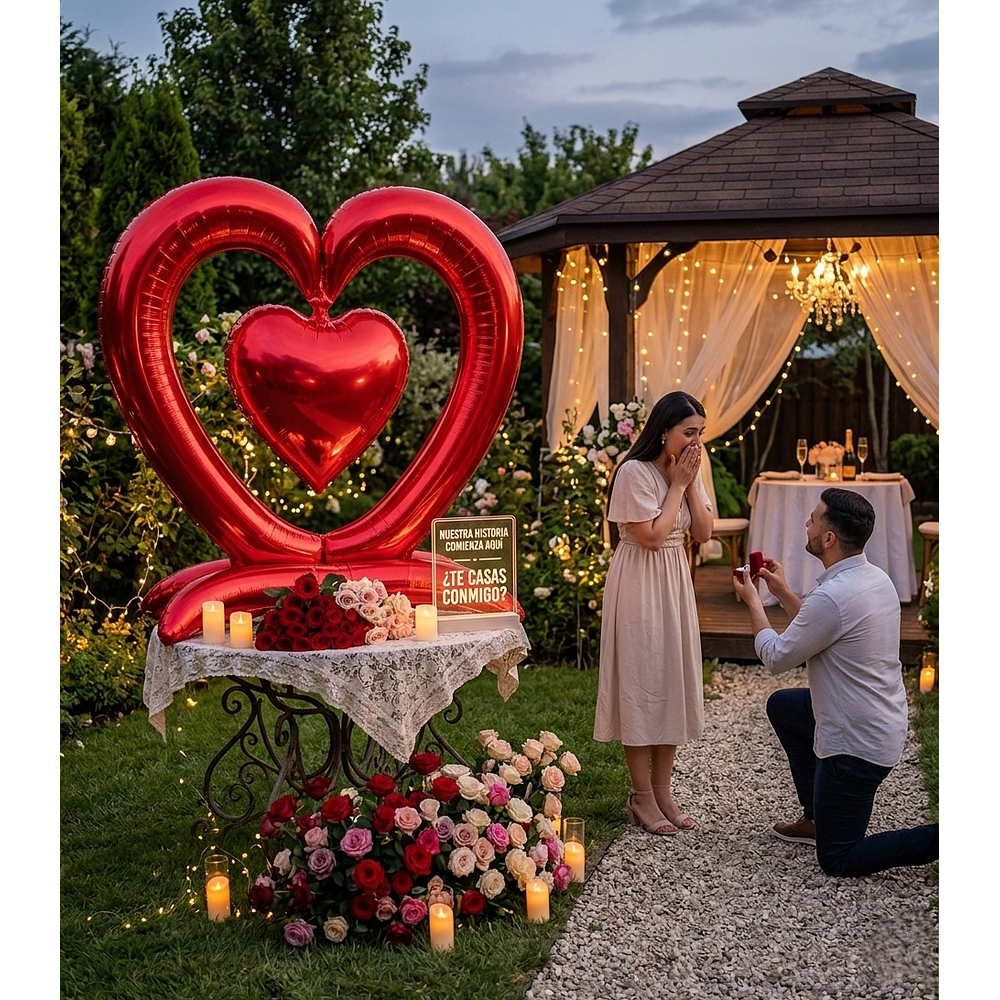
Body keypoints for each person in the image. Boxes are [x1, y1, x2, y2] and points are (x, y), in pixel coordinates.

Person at [733, 487, 939, 877]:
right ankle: (815, 817)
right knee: (784, 706)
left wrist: (754, 603)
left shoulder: (834, 595)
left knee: (837, 858)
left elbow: (777, 656)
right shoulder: (874, 578)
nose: (806, 524)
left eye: (813, 519)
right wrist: (783, 592)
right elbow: (823, 626)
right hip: (878, 721)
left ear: (828, 539)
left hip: (856, 745)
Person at [594, 392, 713, 835]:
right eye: (689, 432)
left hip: (674, 579)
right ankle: (641, 795)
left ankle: (663, 790)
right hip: (641, 581)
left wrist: (691, 482)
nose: (696, 441)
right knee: (642, 679)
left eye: (700, 432)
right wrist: (679, 486)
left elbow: (702, 532)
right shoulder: (633, 472)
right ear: (664, 431)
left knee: (670, 678)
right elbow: (649, 536)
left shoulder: (687, 470)